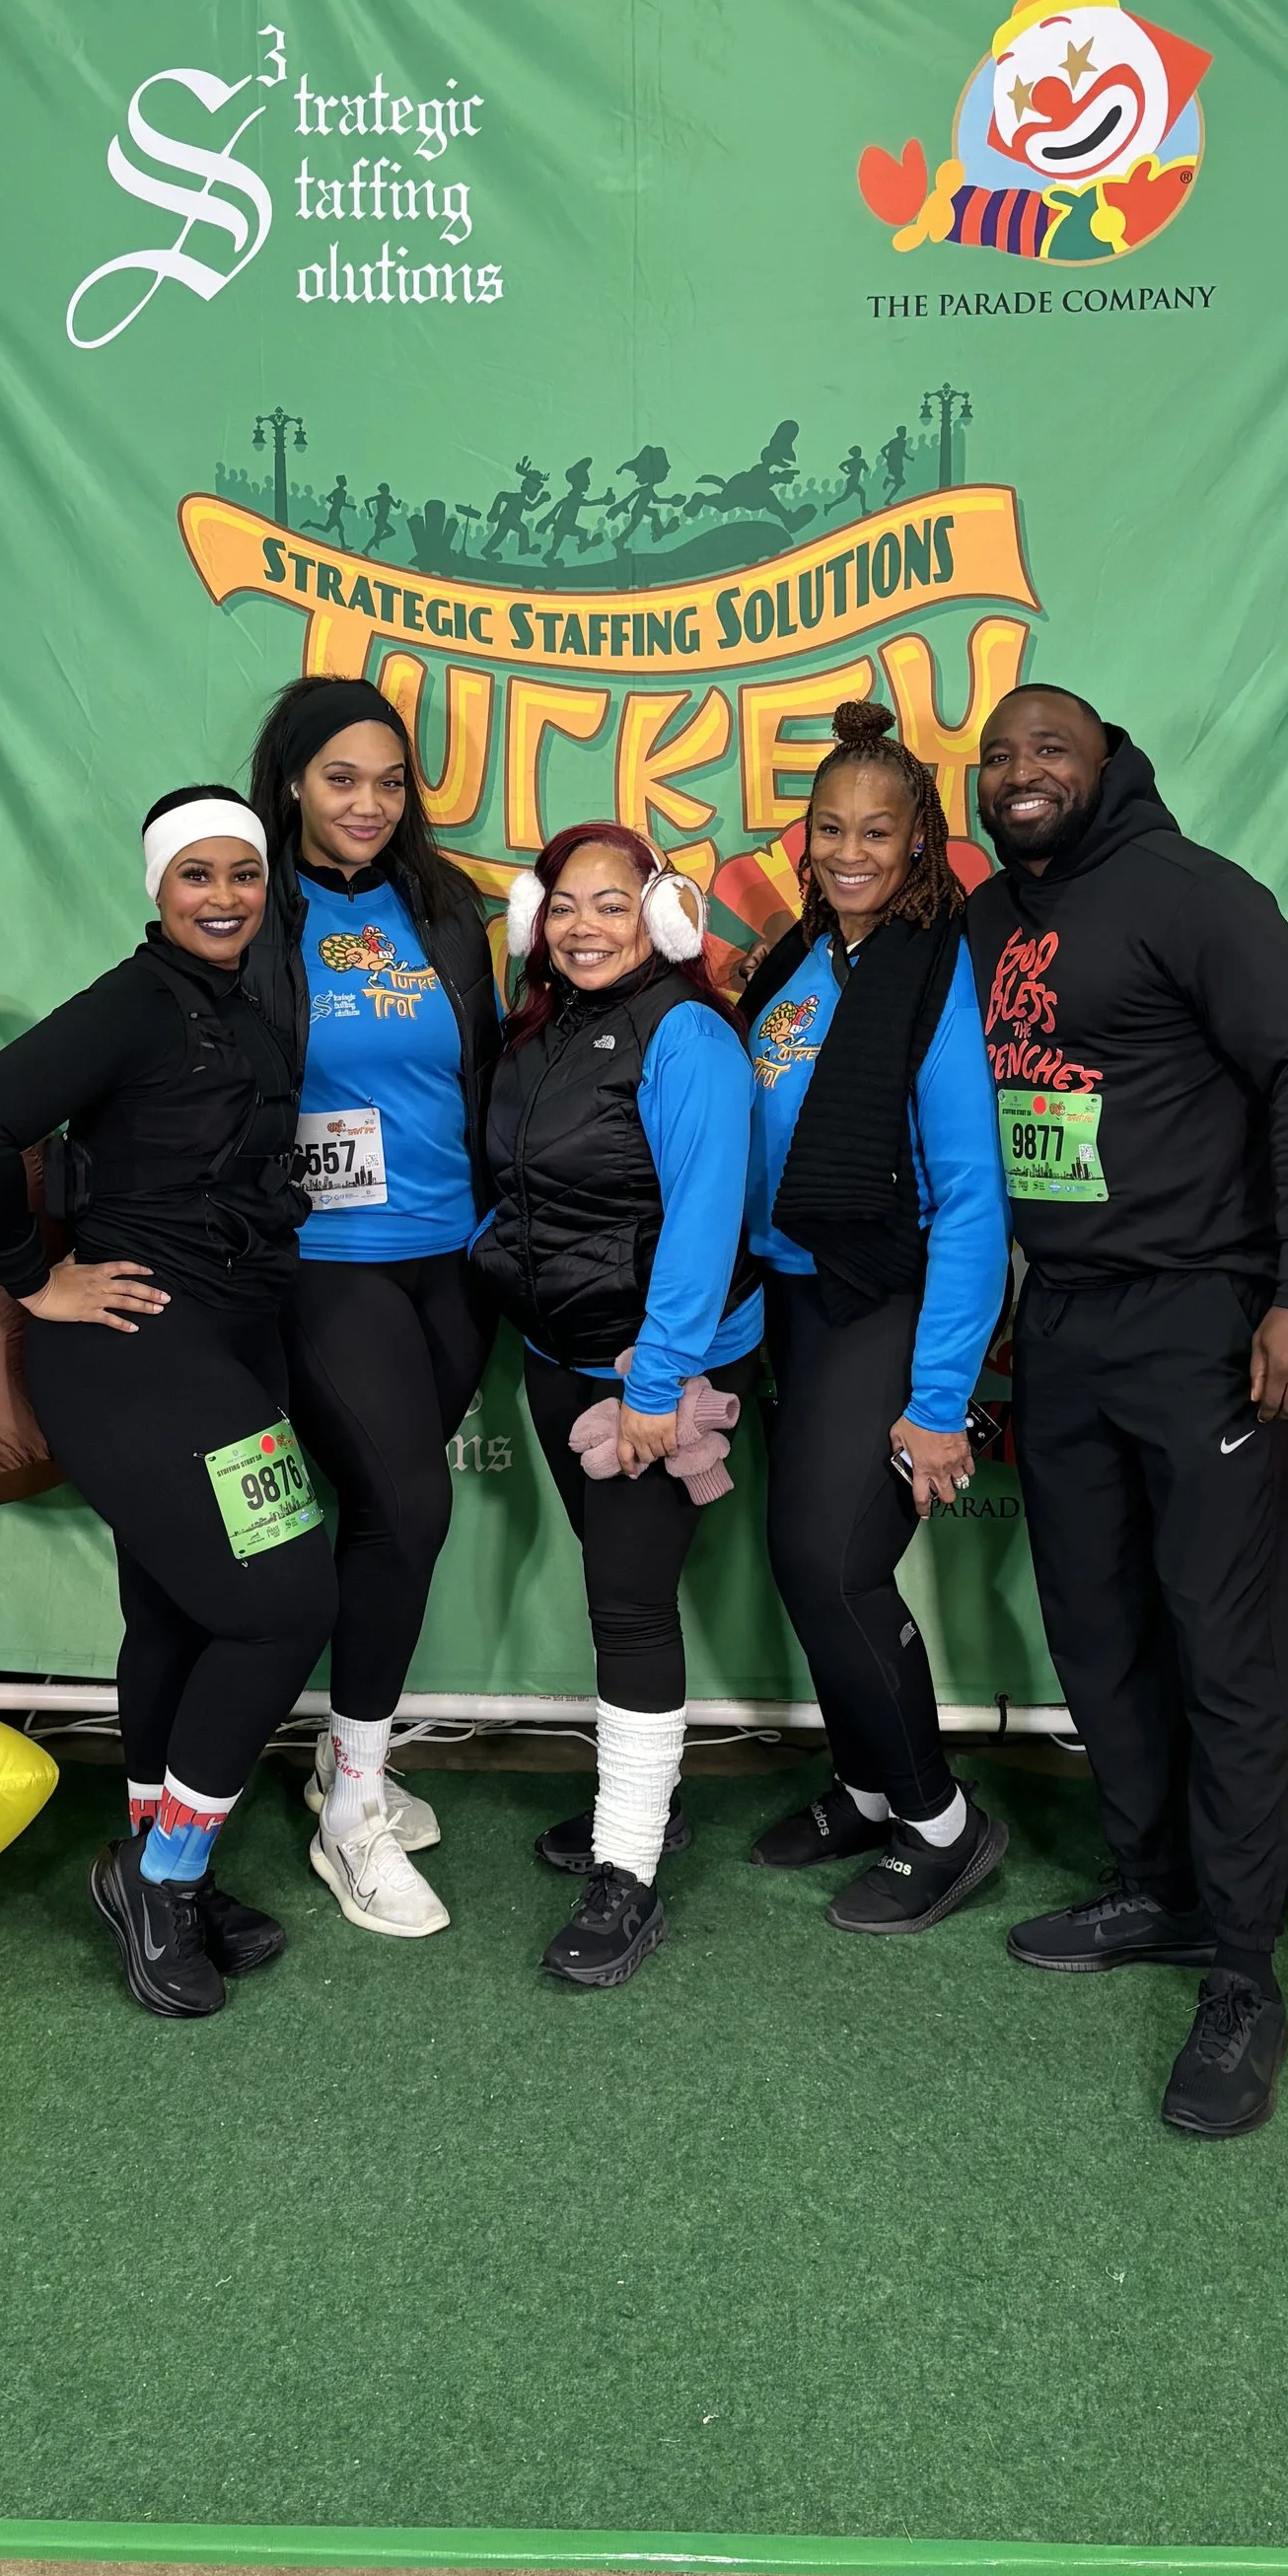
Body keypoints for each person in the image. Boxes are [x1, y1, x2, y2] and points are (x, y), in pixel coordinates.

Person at [969, 684, 1288, 2139]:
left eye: (1049, 749)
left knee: (1222, 1647)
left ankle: (1245, 1973)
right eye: (998, 754)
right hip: (1063, 1318)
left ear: (1108, 764)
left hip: (1203, 1318)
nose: (1020, 771)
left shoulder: (1195, 895)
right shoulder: (988, 919)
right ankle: (1157, 1886)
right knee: (1094, 1624)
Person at [0, 783, 325, 2023]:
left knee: (177, 1616)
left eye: (242, 874)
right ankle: (166, 1882)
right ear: (157, 889)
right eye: (195, 875)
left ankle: (157, 1871)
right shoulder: (136, 1000)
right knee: (282, 1607)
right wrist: (29, 1279)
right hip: (133, 1346)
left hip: (234, 1342)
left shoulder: (245, 1001)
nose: (223, 896)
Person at [470, 823, 759, 1990]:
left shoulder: (687, 1035)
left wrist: (654, 1382)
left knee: (628, 1605)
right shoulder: (536, 1032)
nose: (585, 926)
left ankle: (627, 1872)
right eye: (564, 905)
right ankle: (650, 1804)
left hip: (657, 1369)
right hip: (557, 1354)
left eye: (613, 903)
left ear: (664, 917)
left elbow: (704, 1215)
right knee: (617, 1588)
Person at [741, 701, 1010, 1932]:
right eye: (830, 827)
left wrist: (939, 1400)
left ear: (918, 842)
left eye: (877, 831)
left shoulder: (934, 972)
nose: (850, 851)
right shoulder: (795, 963)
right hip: (792, 1300)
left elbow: (970, 1198)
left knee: (835, 1564)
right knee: (802, 1562)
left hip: (884, 1303)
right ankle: (860, 1789)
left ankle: (943, 1824)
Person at [243, 675, 500, 1940]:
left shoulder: (445, 908)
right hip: (327, 1263)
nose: (368, 803)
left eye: (390, 781)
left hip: (452, 1261)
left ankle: (345, 1757)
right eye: (341, 778)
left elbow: (484, 1069)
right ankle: (351, 1814)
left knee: (383, 1525)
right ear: (292, 780)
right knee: (409, 1509)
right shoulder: (253, 909)